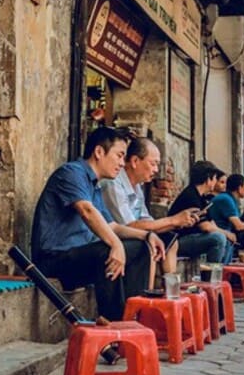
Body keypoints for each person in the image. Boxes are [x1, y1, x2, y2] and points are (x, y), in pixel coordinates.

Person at [31, 127, 166, 320]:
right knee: (106, 252)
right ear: (99, 152)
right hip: (53, 260)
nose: (122, 163)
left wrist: (147, 235)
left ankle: (132, 317)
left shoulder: (94, 186)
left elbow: (112, 226)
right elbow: (87, 211)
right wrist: (115, 244)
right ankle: (115, 323)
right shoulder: (71, 172)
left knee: (141, 248)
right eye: (119, 156)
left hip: (78, 257)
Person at [101, 137, 206, 281]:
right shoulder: (113, 184)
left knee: (170, 240)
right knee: (149, 245)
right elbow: (129, 225)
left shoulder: (137, 186)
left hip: (134, 233)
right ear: (135, 161)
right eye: (153, 164)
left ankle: (170, 288)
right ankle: (147, 296)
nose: (156, 170)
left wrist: (175, 223)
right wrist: (173, 220)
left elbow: (146, 220)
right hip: (115, 236)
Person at [167, 161, 230, 266]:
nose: (215, 181)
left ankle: (222, 270)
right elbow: (205, 226)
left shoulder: (201, 197)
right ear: (208, 179)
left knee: (224, 238)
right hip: (178, 241)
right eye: (214, 178)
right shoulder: (191, 196)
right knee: (218, 239)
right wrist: (227, 234)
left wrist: (226, 234)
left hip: (191, 238)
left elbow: (211, 223)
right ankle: (211, 274)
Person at [208, 174, 244, 263]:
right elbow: (238, 226)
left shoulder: (231, 199)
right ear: (239, 187)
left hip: (227, 236)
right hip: (219, 235)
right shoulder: (226, 199)